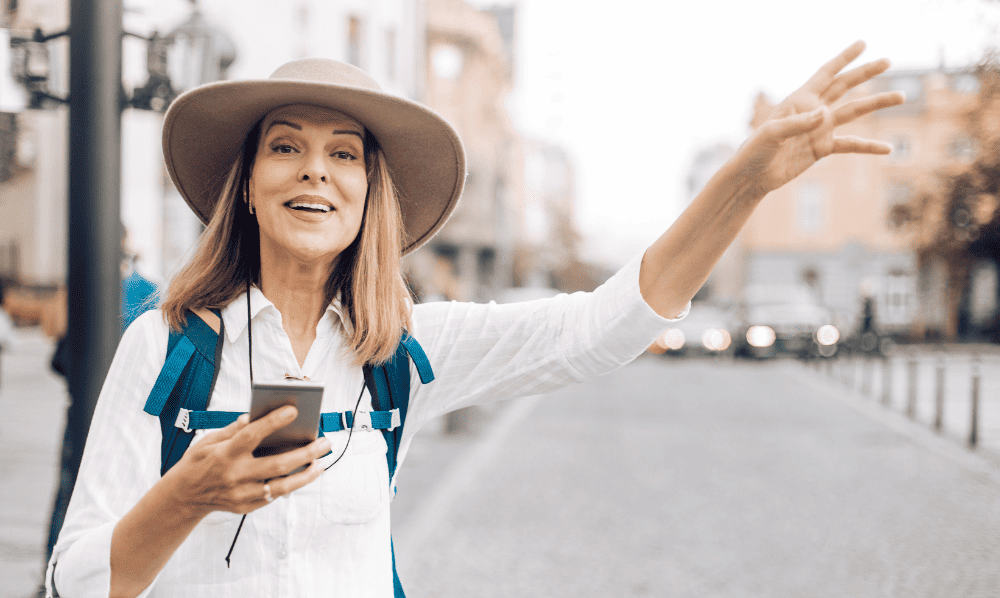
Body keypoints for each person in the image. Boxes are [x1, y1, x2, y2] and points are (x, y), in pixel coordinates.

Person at [46, 41, 904, 597]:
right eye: (285, 146)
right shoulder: (165, 347)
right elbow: (72, 580)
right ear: (248, 184)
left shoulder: (404, 352)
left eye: (344, 153)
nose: (315, 171)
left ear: (371, 195)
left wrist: (743, 183)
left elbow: (600, 329)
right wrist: (185, 497)